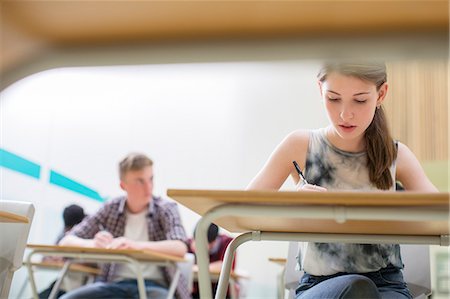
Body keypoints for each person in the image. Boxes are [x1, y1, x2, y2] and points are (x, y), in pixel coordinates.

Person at [246, 61, 438, 299]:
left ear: (381, 94)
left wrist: (398, 213)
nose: (345, 114)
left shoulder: (396, 154)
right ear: (320, 90)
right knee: (357, 288)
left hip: (387, 284)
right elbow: (241, 214)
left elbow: (440, 215)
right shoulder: (299, 145)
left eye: (360, 100)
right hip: (318, 286)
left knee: (362, 289)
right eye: (334, 99)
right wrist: (289, 202)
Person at [59, 153, 190, 299]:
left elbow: (180, 247)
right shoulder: (111, 207)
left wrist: (135, 246)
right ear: (123, 185)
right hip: (114, 284)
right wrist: (95, 244)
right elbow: (67, 241)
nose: (149, 187)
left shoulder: (166, 208)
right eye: (140, 181)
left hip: (155, 285)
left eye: (151, 179)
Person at [38, 204, 87, 298]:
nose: (68, 230)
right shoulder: (66, 233)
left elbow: (96, 264)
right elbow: (48, 256)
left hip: (81, 285)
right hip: (63, 283)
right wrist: (53, 258)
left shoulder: (90, 230)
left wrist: (65, 260)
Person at [187, 223, 236, 298]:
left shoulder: (228, 244)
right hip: (195, 291)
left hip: (219, 291)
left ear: (213, 243)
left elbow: (226, 266)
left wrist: (197, 268)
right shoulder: (188, 243)